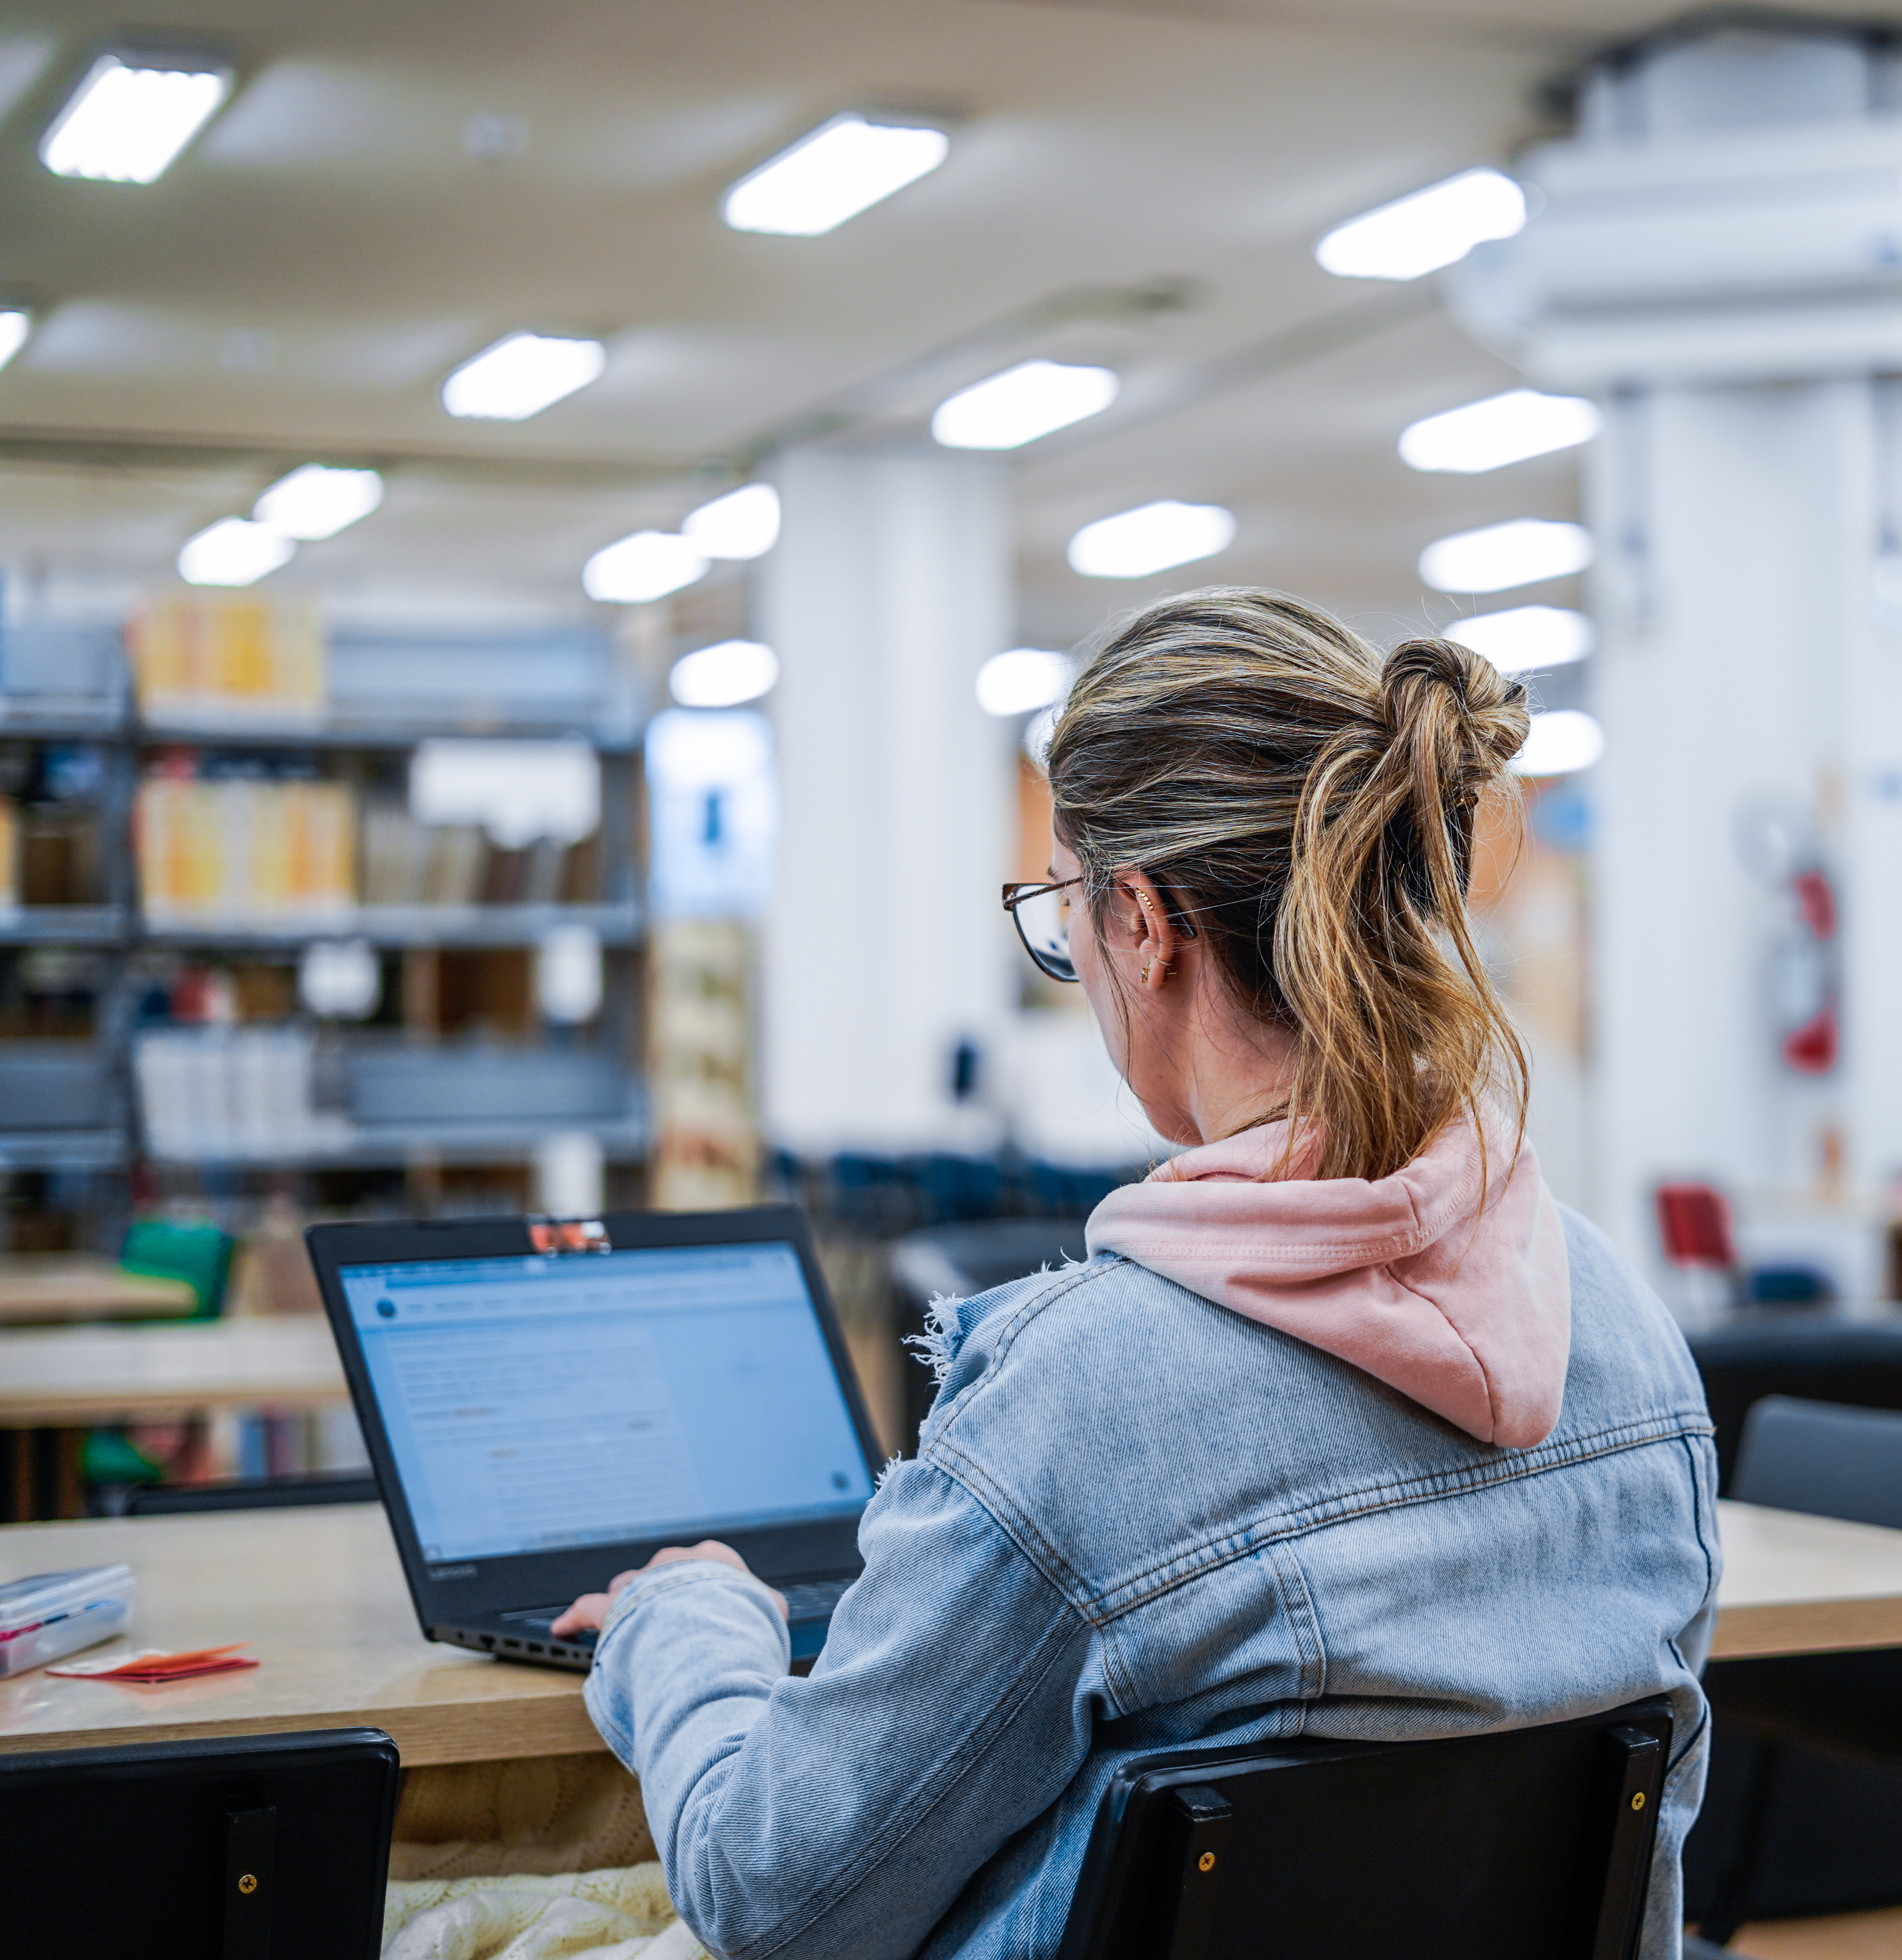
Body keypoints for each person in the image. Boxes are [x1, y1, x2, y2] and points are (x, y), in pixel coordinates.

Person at [555, 587, 1720, 1959]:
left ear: (1145, 925)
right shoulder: (1627, 1327)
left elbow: (771, 1891)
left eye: (1065, 912)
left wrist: (685, 1620)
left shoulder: (1083, 1401)